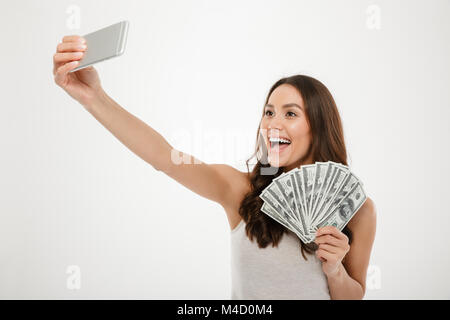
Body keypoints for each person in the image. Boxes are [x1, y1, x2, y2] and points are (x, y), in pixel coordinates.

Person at [53, 35, 377, 300]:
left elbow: (352, 297)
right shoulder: (240, 190)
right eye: (268, 112)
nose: (273, 124)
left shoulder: (359, 212)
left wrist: (335, 269)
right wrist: (94, 97)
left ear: (318, 125)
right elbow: (163, 157)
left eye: (290, 114)